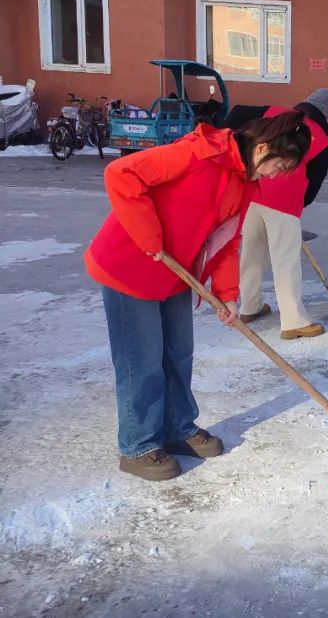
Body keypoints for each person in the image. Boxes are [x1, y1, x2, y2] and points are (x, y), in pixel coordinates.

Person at [84, 113, 312, 481]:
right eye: (277, 165)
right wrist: (149, 237)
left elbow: (227, 243)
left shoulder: (244, 183)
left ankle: (177, 428)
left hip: (177, 273)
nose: (274, 175)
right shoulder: (198, 153)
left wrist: (227, 295)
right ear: (262, 147)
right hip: (131, 265)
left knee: (178, 354)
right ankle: (139, 444)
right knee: (141, 362)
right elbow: (121, 174)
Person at [225, 89, 328, 340]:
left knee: (251, 251)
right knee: (285, 260)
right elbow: (313, 187)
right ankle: (293, 320)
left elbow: (237, 112)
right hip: (285, 203)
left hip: (253, 189)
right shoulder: (320, 140)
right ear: (326, 118)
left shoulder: (273, 114)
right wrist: (296, 209)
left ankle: (249, 307)